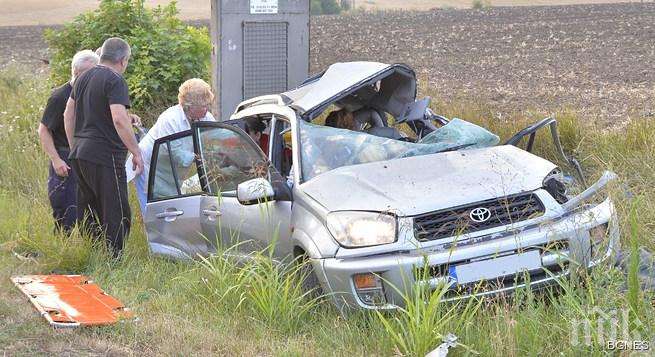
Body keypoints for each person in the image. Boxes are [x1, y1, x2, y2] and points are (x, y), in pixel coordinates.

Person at [63, 37, 144, 258]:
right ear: (123, 60)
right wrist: (136, 151)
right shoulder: (115, 79)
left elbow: (68, 114)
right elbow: (119, 118)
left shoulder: (83, 77)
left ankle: (93, 255)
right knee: (117, 210)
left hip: (80, 154)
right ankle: (114, 261)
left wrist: (75, 145)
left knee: (90, 209)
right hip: (105, 155)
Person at [126, 78, 216, 212]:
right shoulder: (171, 119)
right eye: (204, 106)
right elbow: (177, 155)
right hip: (149, 167)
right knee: (153, 212)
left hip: (171, 172)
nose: (207, 109)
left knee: (172, 212)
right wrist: (201, 157)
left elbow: (214, 136)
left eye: (208, 105)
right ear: (191, 106)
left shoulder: (205, 116)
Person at [38, 50, 99, 234]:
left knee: (88, 211)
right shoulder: (59, 97)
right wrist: (56, 160)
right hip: (65, 157)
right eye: (90, 73)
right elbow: (43, 131)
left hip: (86, 156)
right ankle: (63, 254)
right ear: (76, 72)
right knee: (66, 211)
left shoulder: (92, 94)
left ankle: (88, 250)